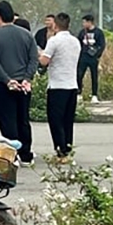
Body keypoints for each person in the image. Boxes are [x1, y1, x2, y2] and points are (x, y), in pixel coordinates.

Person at [0, 1, 39, 166]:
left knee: (7, 120)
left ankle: (12, 153)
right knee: (23, 119)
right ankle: (26, 154)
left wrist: (7, 80)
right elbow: (34, 59)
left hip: (3, 85)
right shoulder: (27, 35)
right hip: (24, 85)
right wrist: (27, 78)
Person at [38, 13, 81, 162]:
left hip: (57, 86)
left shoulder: (54, 41)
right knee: (67, 120)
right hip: (72, 85)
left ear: (55, 25)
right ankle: (67, 149)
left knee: (55, 120)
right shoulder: (75, 41)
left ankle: (60, 151)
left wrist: (38, 53)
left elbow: (44, 61)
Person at [76, 14, 106, 104]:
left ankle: (94, 95)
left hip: (93, 58)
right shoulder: (82, 32)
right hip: (82, 57)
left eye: (85, 22)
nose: (83, 24)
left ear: (90, 22)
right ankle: (79, 94)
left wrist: (97, 55)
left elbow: (102, 45)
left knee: (94, 76)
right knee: (79, 75)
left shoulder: (98, 32)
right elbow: (78, 43)